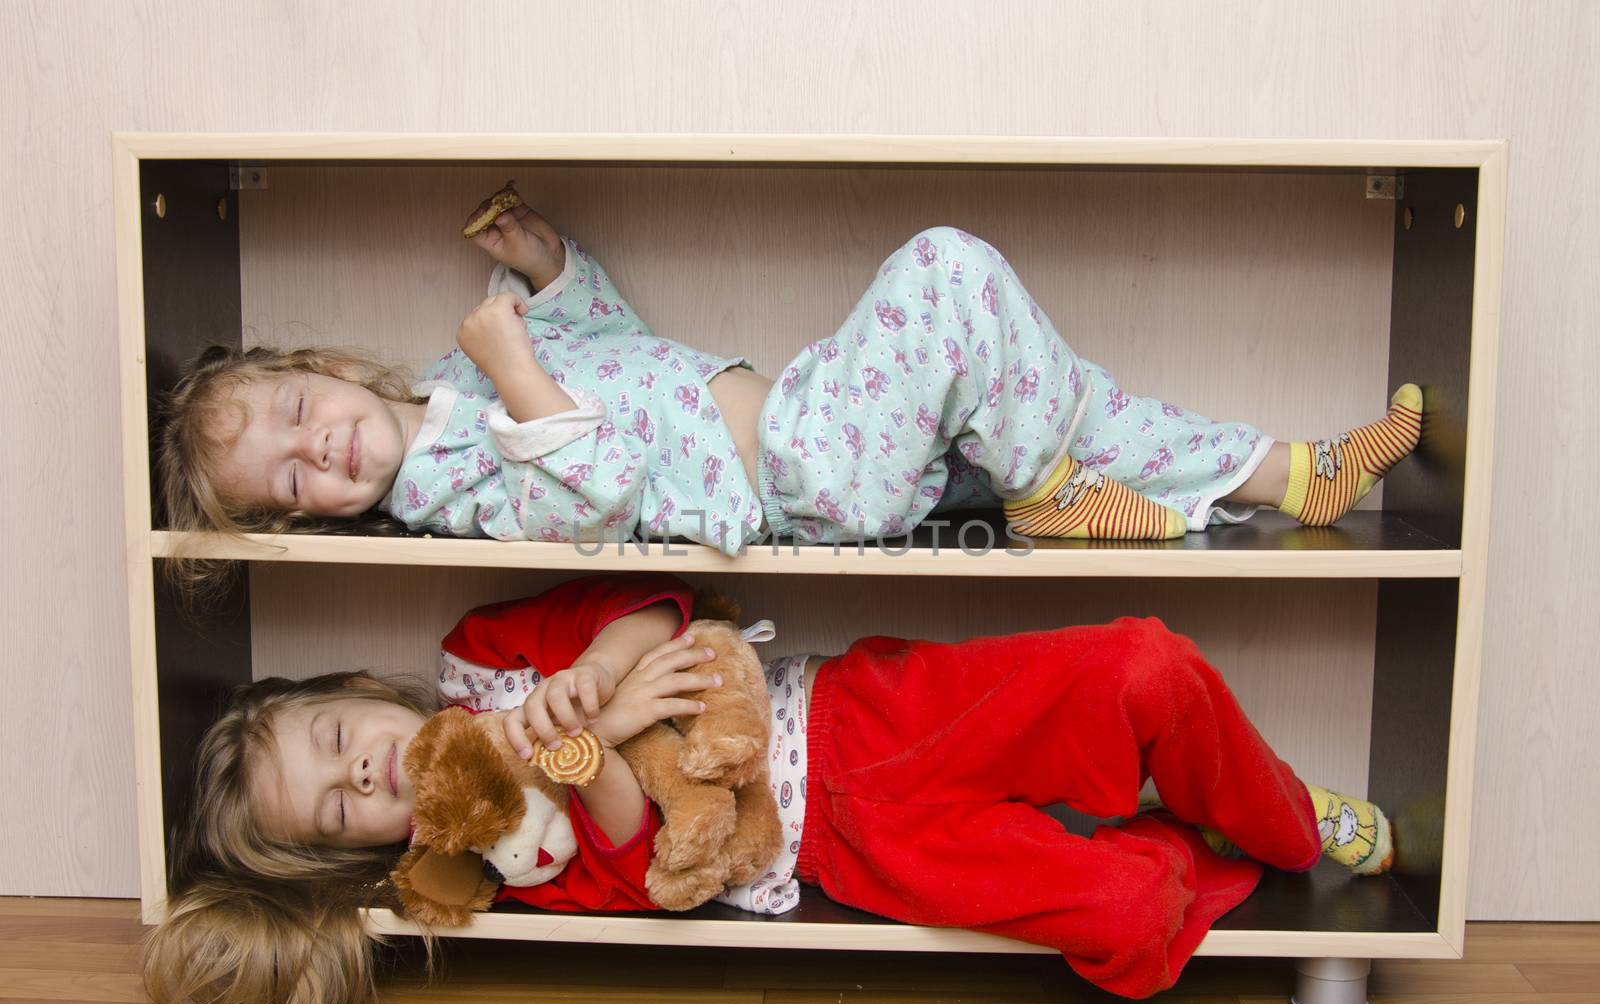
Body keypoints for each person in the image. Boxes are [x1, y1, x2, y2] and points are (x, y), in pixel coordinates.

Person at [144, 575, 1393, 1004]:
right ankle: (1173, 826)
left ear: (359, 694)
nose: (359, 773)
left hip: (854, 711)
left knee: (1142, 665)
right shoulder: (486, 863)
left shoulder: (474, 655)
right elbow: (646, 864)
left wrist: (600, 673)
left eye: (334, 741)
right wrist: (607, 741)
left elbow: (647, 604)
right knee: (1129, 907)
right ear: (348, 853)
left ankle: (1281, 816)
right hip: (841, 845)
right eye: (331, 806)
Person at [157, 195, 1424, 577]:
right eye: (289, 486)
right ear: (308, 517)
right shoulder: (443, 494)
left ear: (319, 371)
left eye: (293, 420)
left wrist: (547, 271)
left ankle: (1292, 475)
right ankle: (1048, 492)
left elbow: (617, 346)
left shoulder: (448, 377)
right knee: (946, 268)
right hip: (803, 472)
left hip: (811, 414)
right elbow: (595, 499)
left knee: (1055, 388)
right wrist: (515, 364)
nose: (317, 457)